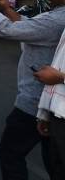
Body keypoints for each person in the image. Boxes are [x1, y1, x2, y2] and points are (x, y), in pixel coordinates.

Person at [0, 0, 65, 180]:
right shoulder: (54, 17)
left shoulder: (58, 19)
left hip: (37, 103)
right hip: (47, 106)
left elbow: (5, 30)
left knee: (11, 153)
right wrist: (6, 7)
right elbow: (28, 28)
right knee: (53, 162)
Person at [36, 29, 65, 179]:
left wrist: (61, 77)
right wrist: (45, 113)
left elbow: (58, 75)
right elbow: (60, 63)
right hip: (57, 116)